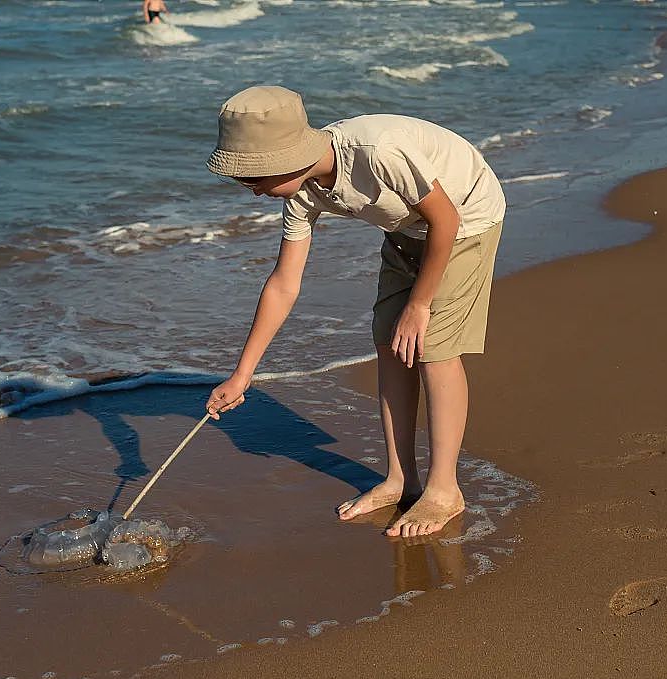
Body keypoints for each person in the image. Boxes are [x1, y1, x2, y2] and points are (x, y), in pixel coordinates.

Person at [203, 86, 506, 538]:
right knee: (389, 341)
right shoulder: (301, 194)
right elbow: (284, 284)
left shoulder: (377, 153)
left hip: (465, 218)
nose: (253, 193)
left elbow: (446, 220)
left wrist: (420, 305)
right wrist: (242, 375)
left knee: (432, 347)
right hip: (406, 228)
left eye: (255, 181)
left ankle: (445, 490)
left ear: (288, 160)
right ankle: (401, 479)